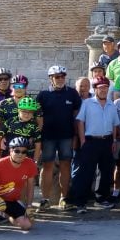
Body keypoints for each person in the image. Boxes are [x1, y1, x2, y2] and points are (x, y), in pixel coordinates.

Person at [36, 65, 81, 212]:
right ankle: (45, 199)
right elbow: (37, 119)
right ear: (51, 79)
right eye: (57, 77)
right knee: (47, 167)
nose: (60, 79)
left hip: (66, 137)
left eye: (62, 76)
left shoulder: (72, 94)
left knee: (65, 166)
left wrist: (75, 137)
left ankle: (64, 198)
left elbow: (76, 117)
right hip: (48, 138)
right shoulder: (42, 95)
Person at [72, 76, 120, 213]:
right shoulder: (87, 103)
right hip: (90, 141)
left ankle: (101, 199)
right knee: (86, 172)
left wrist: (114, 140)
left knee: (105, 172)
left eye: (105, 87)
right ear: (95, 89)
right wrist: (82, 140)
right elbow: (80, 121)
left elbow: (115, 124)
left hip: (107, 141)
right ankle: (81, 202)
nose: (104, 90)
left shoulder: (112, 104)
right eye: (100, 88)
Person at [0, 137, 37, 235]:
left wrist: (29, 205)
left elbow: (30, 187)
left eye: (24, 152)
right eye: (17, 151)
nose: (20, 154)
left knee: (27, 225)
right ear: (10, 150)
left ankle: (5, 215)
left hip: (12, 200)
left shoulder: (30, 164)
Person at [0, 97, 42, 161]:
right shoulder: (10, 122)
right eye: (24, 111)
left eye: (30, 112)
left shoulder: (34, 126)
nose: (27, 114)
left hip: (25, 157)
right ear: (18, 110)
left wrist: (35, 160)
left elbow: (38, 144)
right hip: (8, 156)